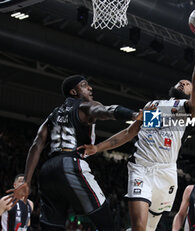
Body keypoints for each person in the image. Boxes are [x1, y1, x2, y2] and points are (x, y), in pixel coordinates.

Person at [80, 22, 195, 231]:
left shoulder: (186, 110)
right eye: (180, 82)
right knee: (139, 228)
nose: (183, 83)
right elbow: (130, 133)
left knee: (151, 226)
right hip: (141, 167)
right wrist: (97, 148)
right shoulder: (153, 106)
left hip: (166, 172)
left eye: (186, 84)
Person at [7, 75, 142, 231]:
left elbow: (36, 146)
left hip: (47, 171)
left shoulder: (53, 115)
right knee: (105, 220)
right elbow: (106, 110)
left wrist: (27, 182)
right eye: (84, 85)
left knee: (52, 226)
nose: (90, 88)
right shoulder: (85, 106)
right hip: (70, 163)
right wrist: (132, 115)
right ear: (73, 91)